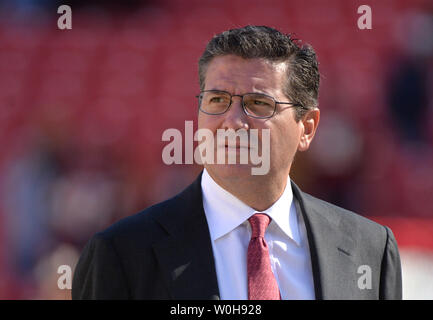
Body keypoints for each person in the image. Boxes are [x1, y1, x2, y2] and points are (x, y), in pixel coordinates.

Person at [72, 26, 402, 300]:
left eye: (258, 104)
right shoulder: (122, 253)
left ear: (308, 128)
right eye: (217, 100)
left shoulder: (369, 250)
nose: (232, 121)